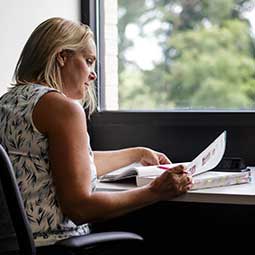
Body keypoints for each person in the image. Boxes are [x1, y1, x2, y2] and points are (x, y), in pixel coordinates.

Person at [0, 17, 192, 251]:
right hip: (54, 244)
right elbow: (80, 208)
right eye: (88, 61)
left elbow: (65, 165)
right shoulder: (62, 108)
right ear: (62, 57)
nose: (93, 74)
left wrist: (136, 153)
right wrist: (154, 191)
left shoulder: (9, 103)